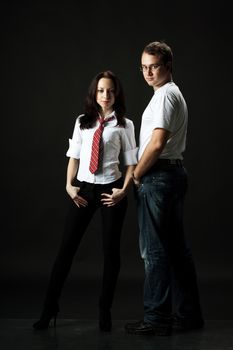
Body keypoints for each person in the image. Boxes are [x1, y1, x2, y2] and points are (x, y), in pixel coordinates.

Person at [33, 70, 137, 332]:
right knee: (66, 250)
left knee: (110, 253)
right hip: (84, 191)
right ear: (94, 92)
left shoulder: (125, 124)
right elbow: (74, 157)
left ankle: (105, 310)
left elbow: (131, 164)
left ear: (117, 93)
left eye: (111, 90)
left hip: (111, 192)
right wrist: (69, 186)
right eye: (101, 90)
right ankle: (49, 308)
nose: (105, 95)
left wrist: (123, 191)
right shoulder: (82, 121)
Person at [125, 41, 204, 336]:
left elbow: (157, 143)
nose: (147, 72)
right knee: (175, 250)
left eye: (154, 66)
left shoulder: (166, 96)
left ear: (168, 66)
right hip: (169, 175)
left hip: (158, 177)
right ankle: (188, 315)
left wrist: (138, 175)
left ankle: (157, 319)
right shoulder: (166, 94)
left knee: (154, 252)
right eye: (143, 67)